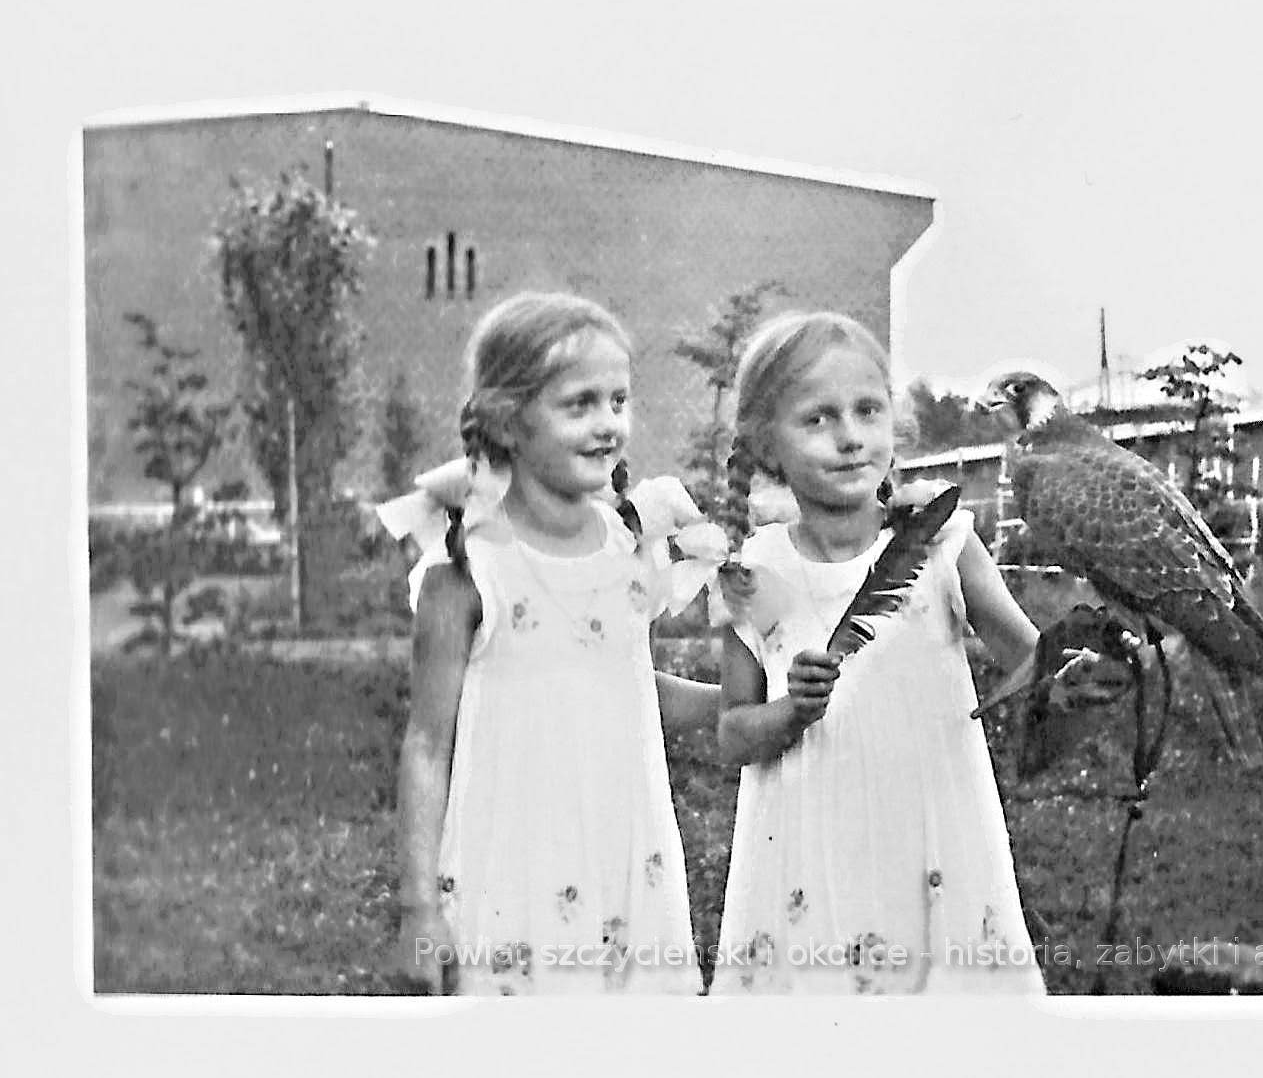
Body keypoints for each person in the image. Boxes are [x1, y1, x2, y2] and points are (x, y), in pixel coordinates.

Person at [711, 311, 1112, 994]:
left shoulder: (941, 541)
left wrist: (1076, 675)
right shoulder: (752, 570)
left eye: (867, 410)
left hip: (932, 838)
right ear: (767, 444)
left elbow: (1030, 658)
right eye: (817, 418)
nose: (849, 436)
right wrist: (790, 710)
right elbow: (732, 733)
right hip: (808, 850)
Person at [387, 292, 717, 995]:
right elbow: (426, 744)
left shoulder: (629, 549)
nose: (608, 424)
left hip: (623, 858)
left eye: (618, 401)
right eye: (580, 404)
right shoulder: (467, 570)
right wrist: (419, 908)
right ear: (509, 423)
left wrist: (739, 699)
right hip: (512, 867)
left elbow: (628, 686)